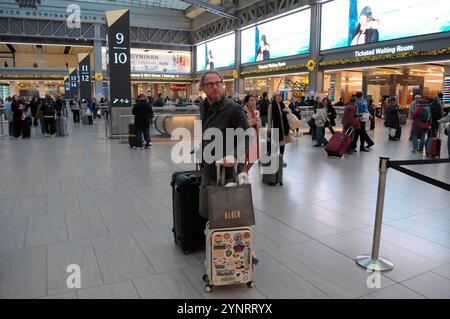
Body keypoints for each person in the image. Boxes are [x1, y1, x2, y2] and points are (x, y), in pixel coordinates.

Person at [197, 70, 249, 219]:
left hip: (227, 170)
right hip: (209, 166)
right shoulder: (203, 106)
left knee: (227, 212)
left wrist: (233, 154)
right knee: (207, 208)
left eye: (218, 83)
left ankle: (226, 241)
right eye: (210, 84)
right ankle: (211, 238)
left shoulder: (233, 109)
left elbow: (246, 136)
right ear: (203, 87)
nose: (215, 87)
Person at [268, 91, 291, 167]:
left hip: (283, 127)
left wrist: (286, 110)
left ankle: (281, 159)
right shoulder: (272, 105)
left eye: (280, 95)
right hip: (276, 127)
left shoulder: (282, 104)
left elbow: (289, 112)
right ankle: (273, 159)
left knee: (282, 144)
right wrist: (269, 128)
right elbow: (270, 117)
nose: (280, 97)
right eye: (278, 95)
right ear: (274, 97)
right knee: (275, 144)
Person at [243, 94, 261, 171]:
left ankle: (245, 172)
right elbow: (243, 123)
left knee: (253, 157)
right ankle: (243, 174)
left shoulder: (255, 111)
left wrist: (261, 127)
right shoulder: (242, 111)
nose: (254, 102)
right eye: (251, 100)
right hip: (244, 137)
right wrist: (254, 121)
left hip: (254, 137)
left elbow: (258, 123)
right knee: (244, 158)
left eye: (254, 100)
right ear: (247, 102)